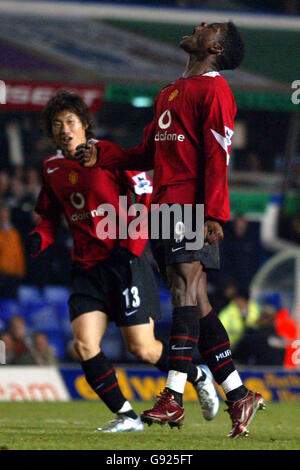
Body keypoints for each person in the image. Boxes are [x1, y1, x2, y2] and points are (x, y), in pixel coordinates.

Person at [75, 21, 266, 438]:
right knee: (195, 301)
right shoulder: (171, 91)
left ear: (215, 46)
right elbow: (146, 151)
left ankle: (173, 398)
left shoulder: (215, 91)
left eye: (208, 27)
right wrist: (104, 154)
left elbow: (218, 154)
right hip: (164, 206)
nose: (199, 26)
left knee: (184, 290)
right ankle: (239, 396)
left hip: (190, 206)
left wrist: (214, 213)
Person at [26, 91, 219, 433]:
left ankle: (198, 374)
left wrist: (131, 246)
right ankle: (127, 417)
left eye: (70, 122)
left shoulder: (107, 155)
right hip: (87, 268)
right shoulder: (51, 167)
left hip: (126, 260)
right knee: (84, 344)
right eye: (57, 125)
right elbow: (48, 214)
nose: (64, 130)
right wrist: (41, 236)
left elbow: (146, 197)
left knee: (142, 349)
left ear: (85, 125)